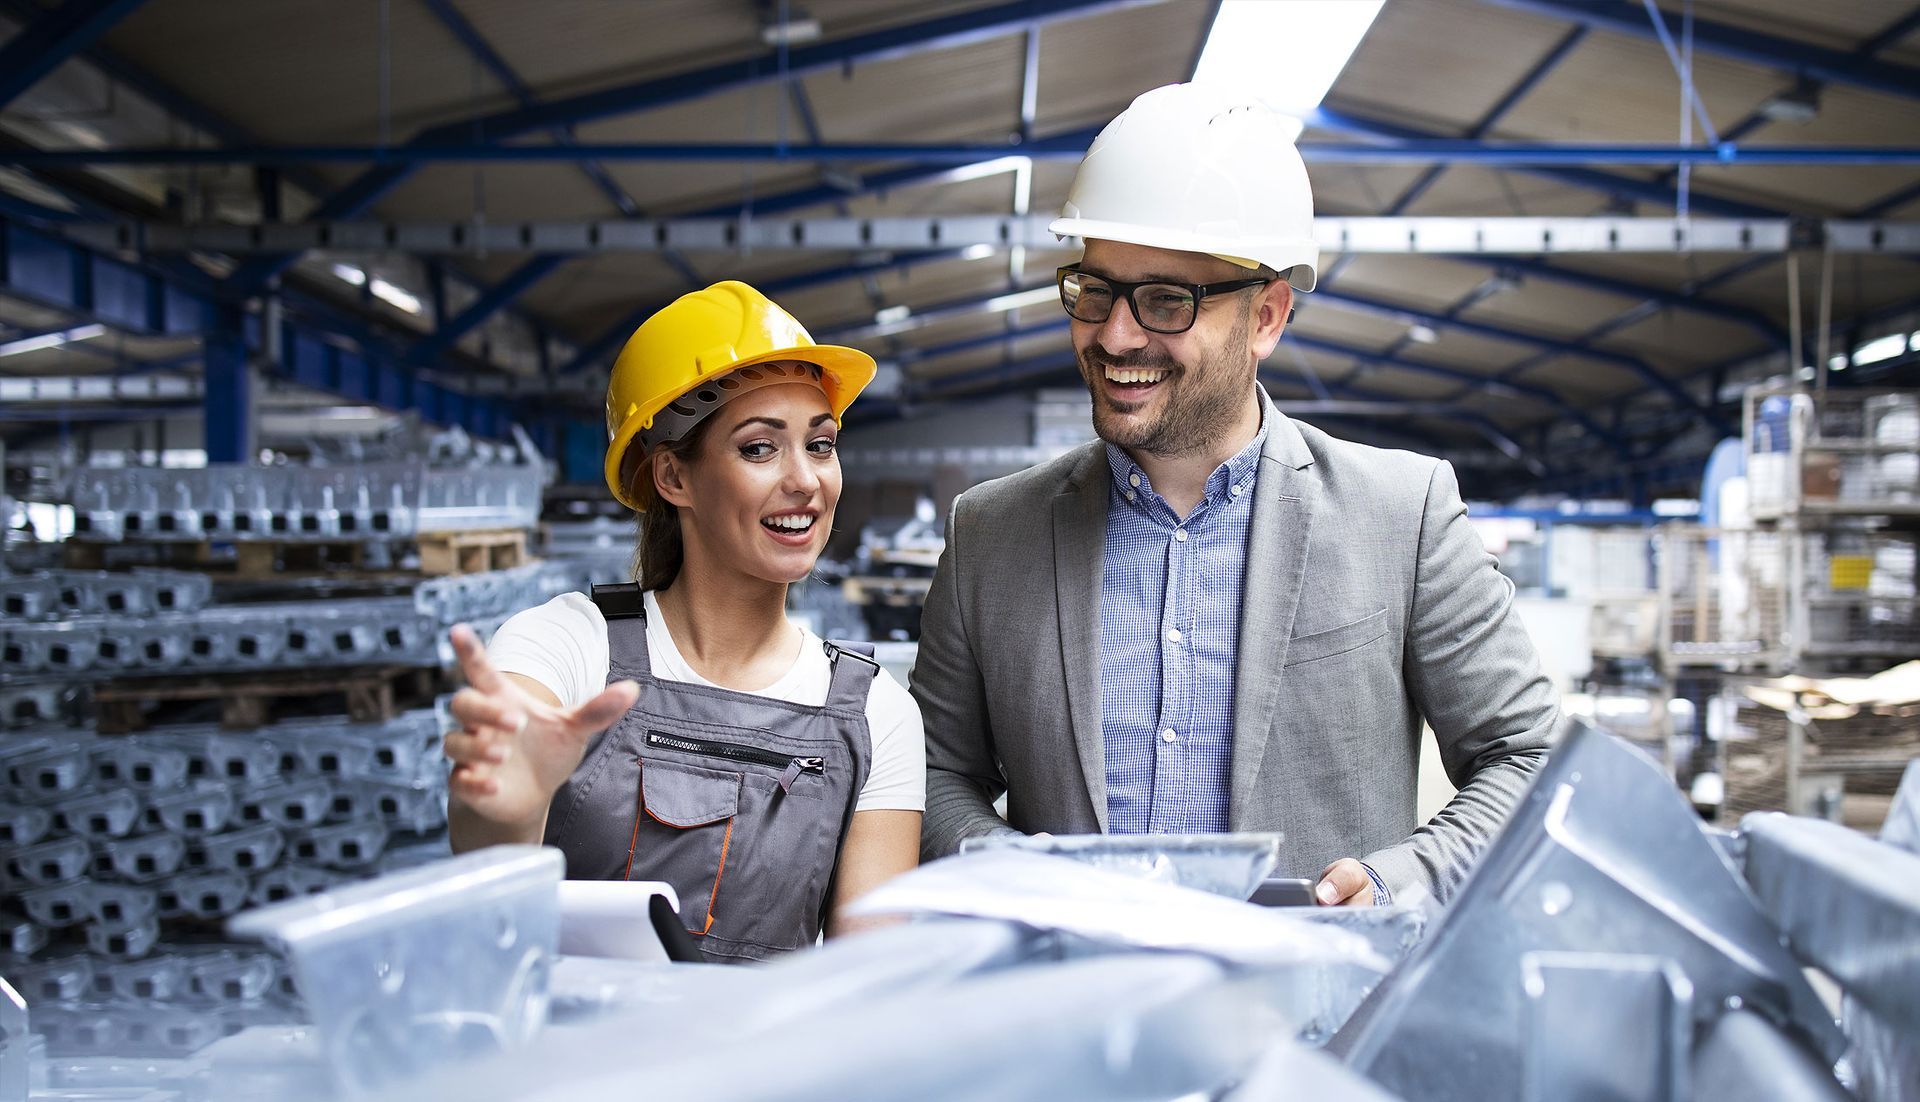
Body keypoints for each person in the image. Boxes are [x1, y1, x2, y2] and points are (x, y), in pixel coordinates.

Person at [912, 84, 1560, 907]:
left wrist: (1403, 880)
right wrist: (1012, 872)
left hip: (1315, 1015)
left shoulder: (1402, 515)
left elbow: (1527, 757)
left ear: (1268, 317)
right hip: (1074, 1015)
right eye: (1096, 289)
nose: (1115, 334)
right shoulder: (991, 535)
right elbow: (932, 771)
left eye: (1165, 300)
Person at [443, 280, 925, 962]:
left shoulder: (877, 714)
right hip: (571, 1063)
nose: (806, 480)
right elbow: (486, 859)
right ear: (673, 478)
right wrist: (509, 809)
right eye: (760, 448)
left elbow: (870, 979)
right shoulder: (569, 647)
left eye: (820, 445)